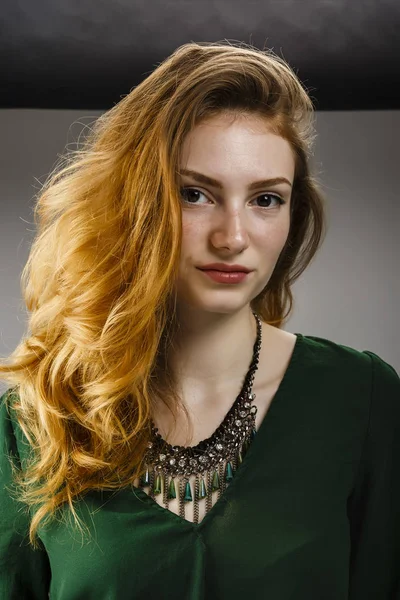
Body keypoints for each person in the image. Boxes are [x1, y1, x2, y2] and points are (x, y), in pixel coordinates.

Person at [0, 40, 399, 599]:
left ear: (293, 215)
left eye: (266, 200)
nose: (233, 237)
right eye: (195, 194)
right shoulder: (35, 415)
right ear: (135, 204)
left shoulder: (365, 399)